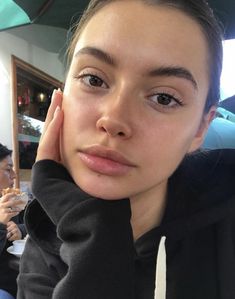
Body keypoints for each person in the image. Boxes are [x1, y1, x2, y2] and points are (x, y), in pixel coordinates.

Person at [17, 0, 235, 298]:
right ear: (61, 96)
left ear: (201, 127)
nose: (114, 119)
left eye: (163, 98)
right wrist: (95, 240)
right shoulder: (41, 248)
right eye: (94, 79)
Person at [0, 144, 27, 299]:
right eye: (7, 168)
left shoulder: (15, 200)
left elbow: (34, 226)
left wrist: (20, 229)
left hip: (23, 277)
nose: (14, 175)